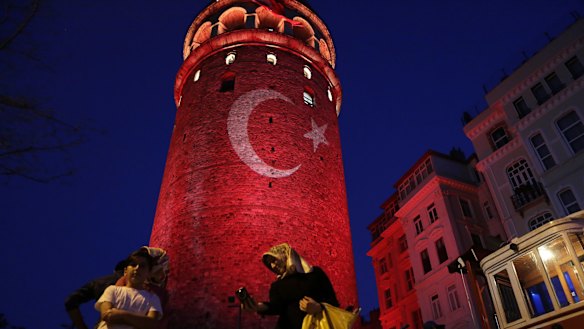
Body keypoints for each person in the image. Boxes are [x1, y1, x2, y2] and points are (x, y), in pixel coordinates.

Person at [242, 243, 339, 329]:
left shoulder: (315, 273)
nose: (272, 266)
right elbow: (276, 307)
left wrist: (318, 307)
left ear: (285, 256)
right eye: (270, 264)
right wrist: (258, 307)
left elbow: (333, 301)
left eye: (274, 260)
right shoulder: (277, 285)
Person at [95, 248, 163, 329]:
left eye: (142, 266)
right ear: (125, 271)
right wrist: (138, 321)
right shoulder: (112, 290)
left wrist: (121, 314)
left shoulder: (153, 298)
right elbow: (107, 315)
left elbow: (151, 324)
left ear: (148, 273)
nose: (137, 268)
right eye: (133, 264)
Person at [65, 259, 128, 329]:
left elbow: (70, 300)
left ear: (115, 271)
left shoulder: (98, 282)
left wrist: (81, 326)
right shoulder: (139, 282)